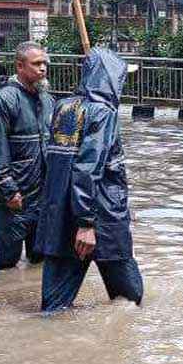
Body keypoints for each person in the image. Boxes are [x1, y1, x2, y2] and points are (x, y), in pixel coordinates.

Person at [35, 48, 143, 312]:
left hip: (61, 216)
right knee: (130, 300)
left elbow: (53, 163)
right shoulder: (104, 113)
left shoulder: (63, 106)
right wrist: (86, 223)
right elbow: (87, 168)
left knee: (54, 306)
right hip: (102, 218)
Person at [0, 42, 54, 270]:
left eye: (44, 63)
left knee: (39, 262)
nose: (42, 68)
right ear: (20, 66)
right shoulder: (3, 101)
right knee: (6, 264)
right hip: (12, 200)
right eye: (36, 64)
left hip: (41, 197)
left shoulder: (48, 100)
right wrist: (8, 189)